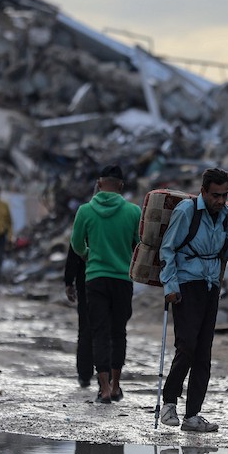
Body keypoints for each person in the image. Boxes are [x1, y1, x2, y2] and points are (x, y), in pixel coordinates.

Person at [158, 167, 228, 433]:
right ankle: (169, 401)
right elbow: (168, 249)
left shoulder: (227, 216)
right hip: (186, 285)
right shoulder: (187, 212)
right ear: (203, 191)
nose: (220, 200)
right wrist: (169, 286)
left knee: (204, 353)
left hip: (211, 286)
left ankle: (192, 416)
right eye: (215, 195)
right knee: (187, 346)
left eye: (224, 195)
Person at [70, 164, 141, 404]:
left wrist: (89, 254)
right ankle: (117, 384)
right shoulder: (133, 212)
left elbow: (76, 244)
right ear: (120, 186)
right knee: (118, 332)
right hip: (122, 279)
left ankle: (103, 389)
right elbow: (139, 244)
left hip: (95, 278)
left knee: (99, 332)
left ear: (99, 184)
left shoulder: (85, 211)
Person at [63, 248, 93, 388]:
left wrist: (69, 281)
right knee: (111, 330)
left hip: (87, 278)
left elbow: (75, 247)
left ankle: (85, 374)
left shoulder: (83, 224)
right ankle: (108, 379)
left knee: (86, 328)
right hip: (118, 278)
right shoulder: (126, 224)